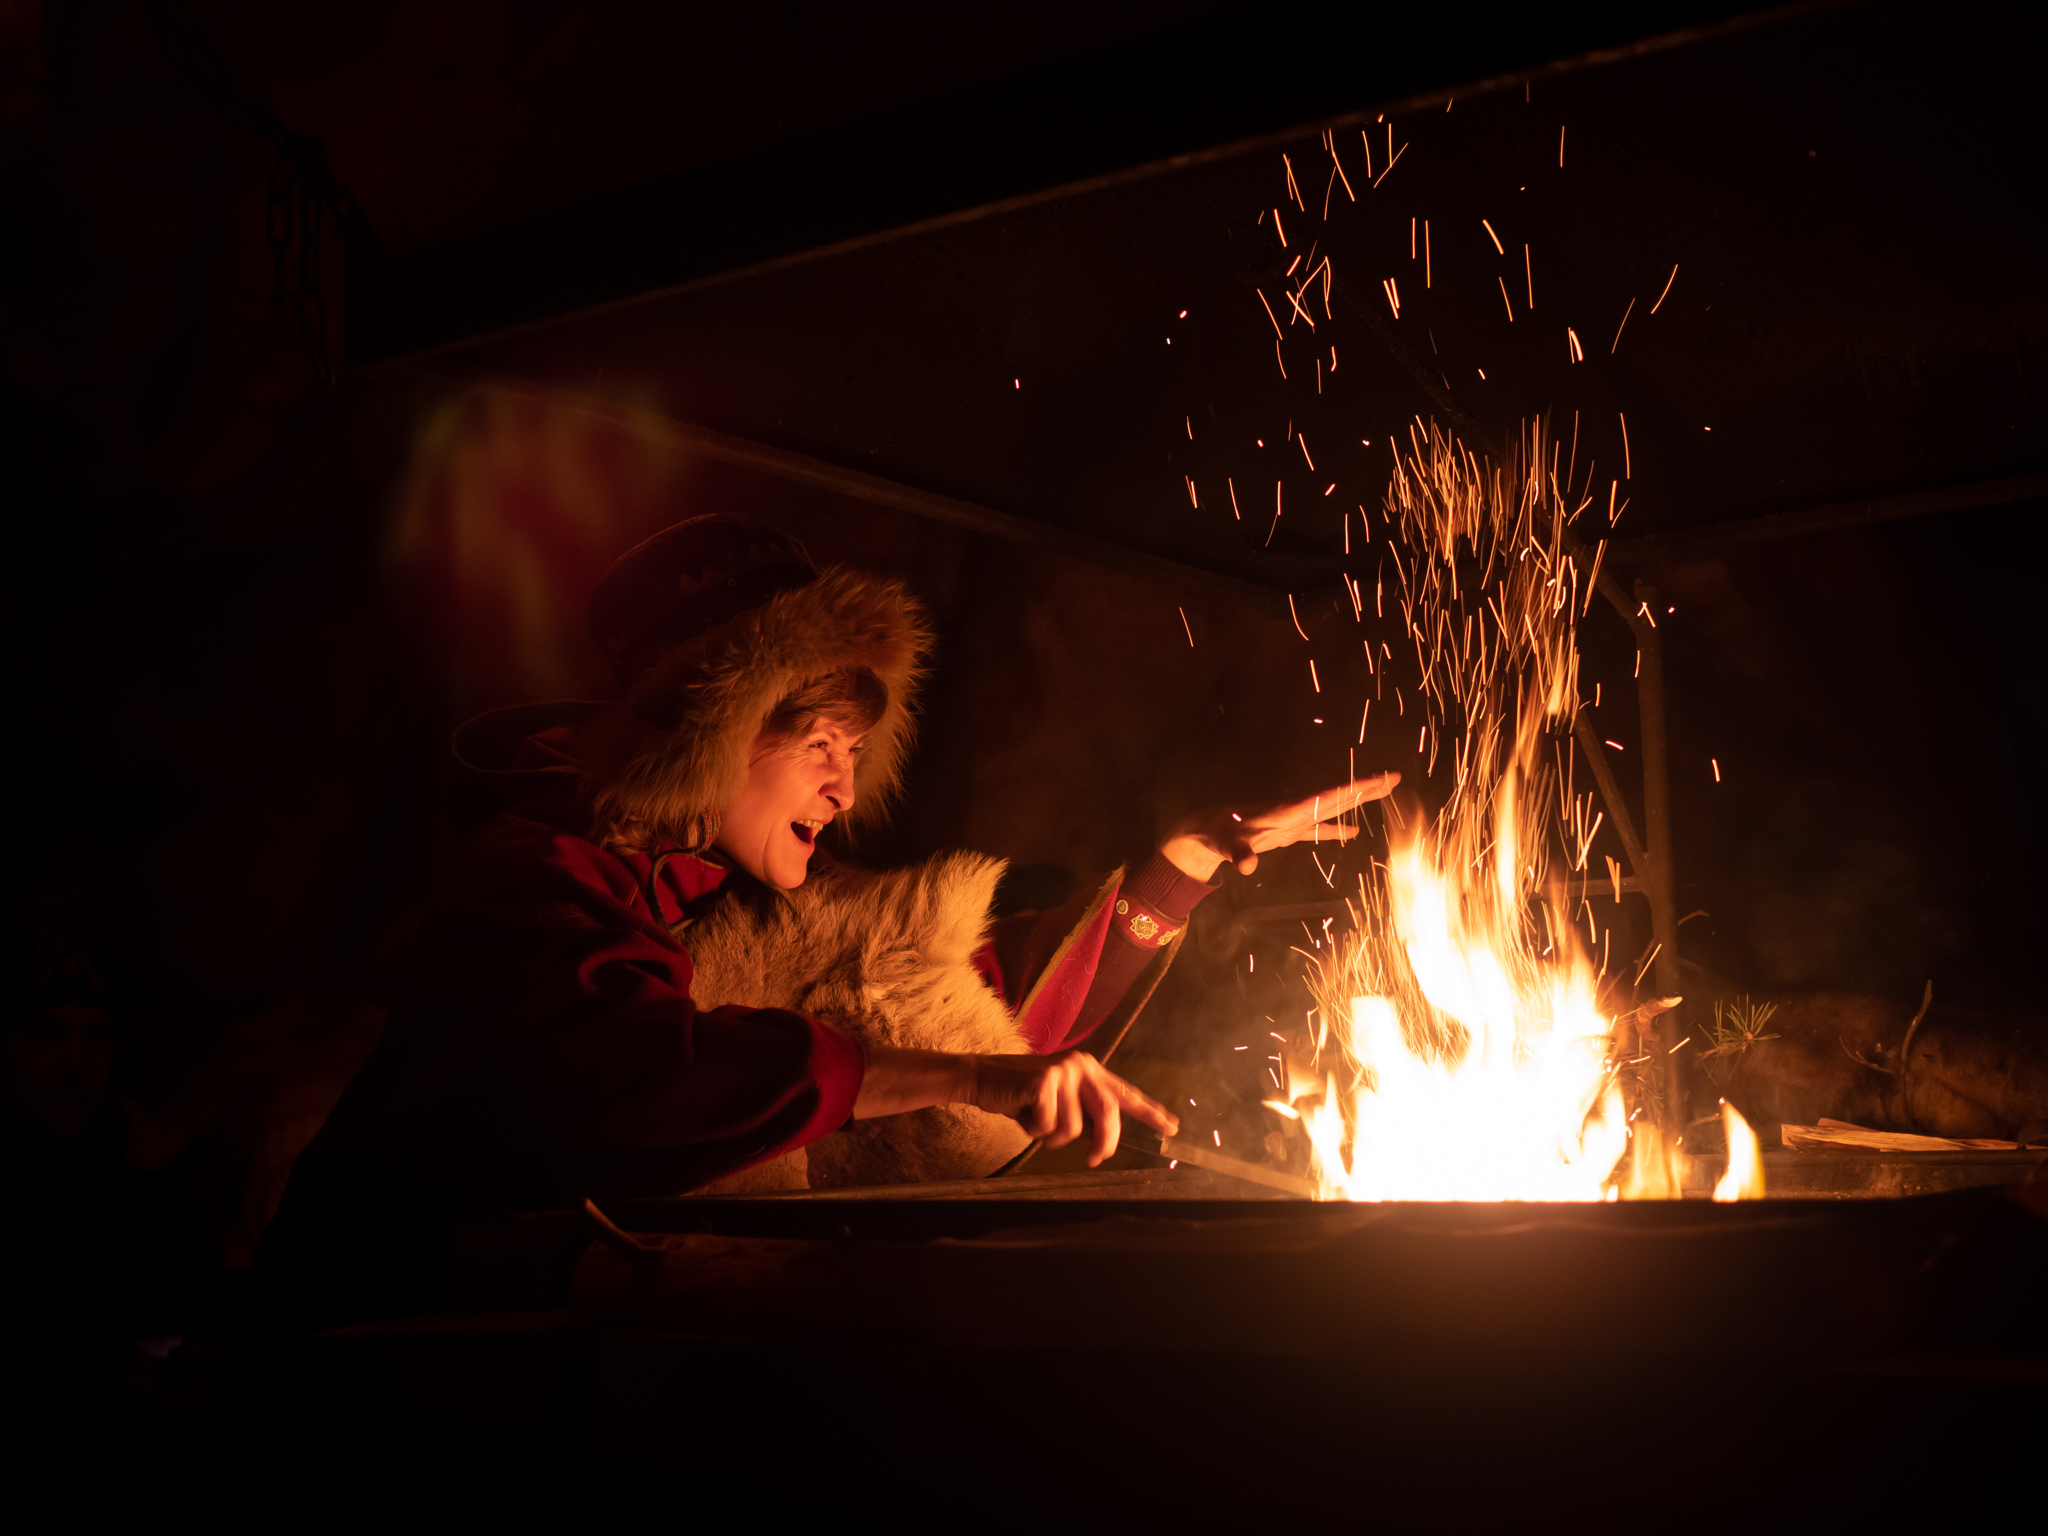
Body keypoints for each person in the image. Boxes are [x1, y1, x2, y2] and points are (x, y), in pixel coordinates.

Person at [262, 516, 1394, 1320]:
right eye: (817, 747)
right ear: (710, 733)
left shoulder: (739, 891)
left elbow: (968, 993)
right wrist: (960, 1077)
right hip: (379, 1358)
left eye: (853, 752)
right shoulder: (535, 877)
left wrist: (1181, 863)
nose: (843, 789)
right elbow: (641, 1073)